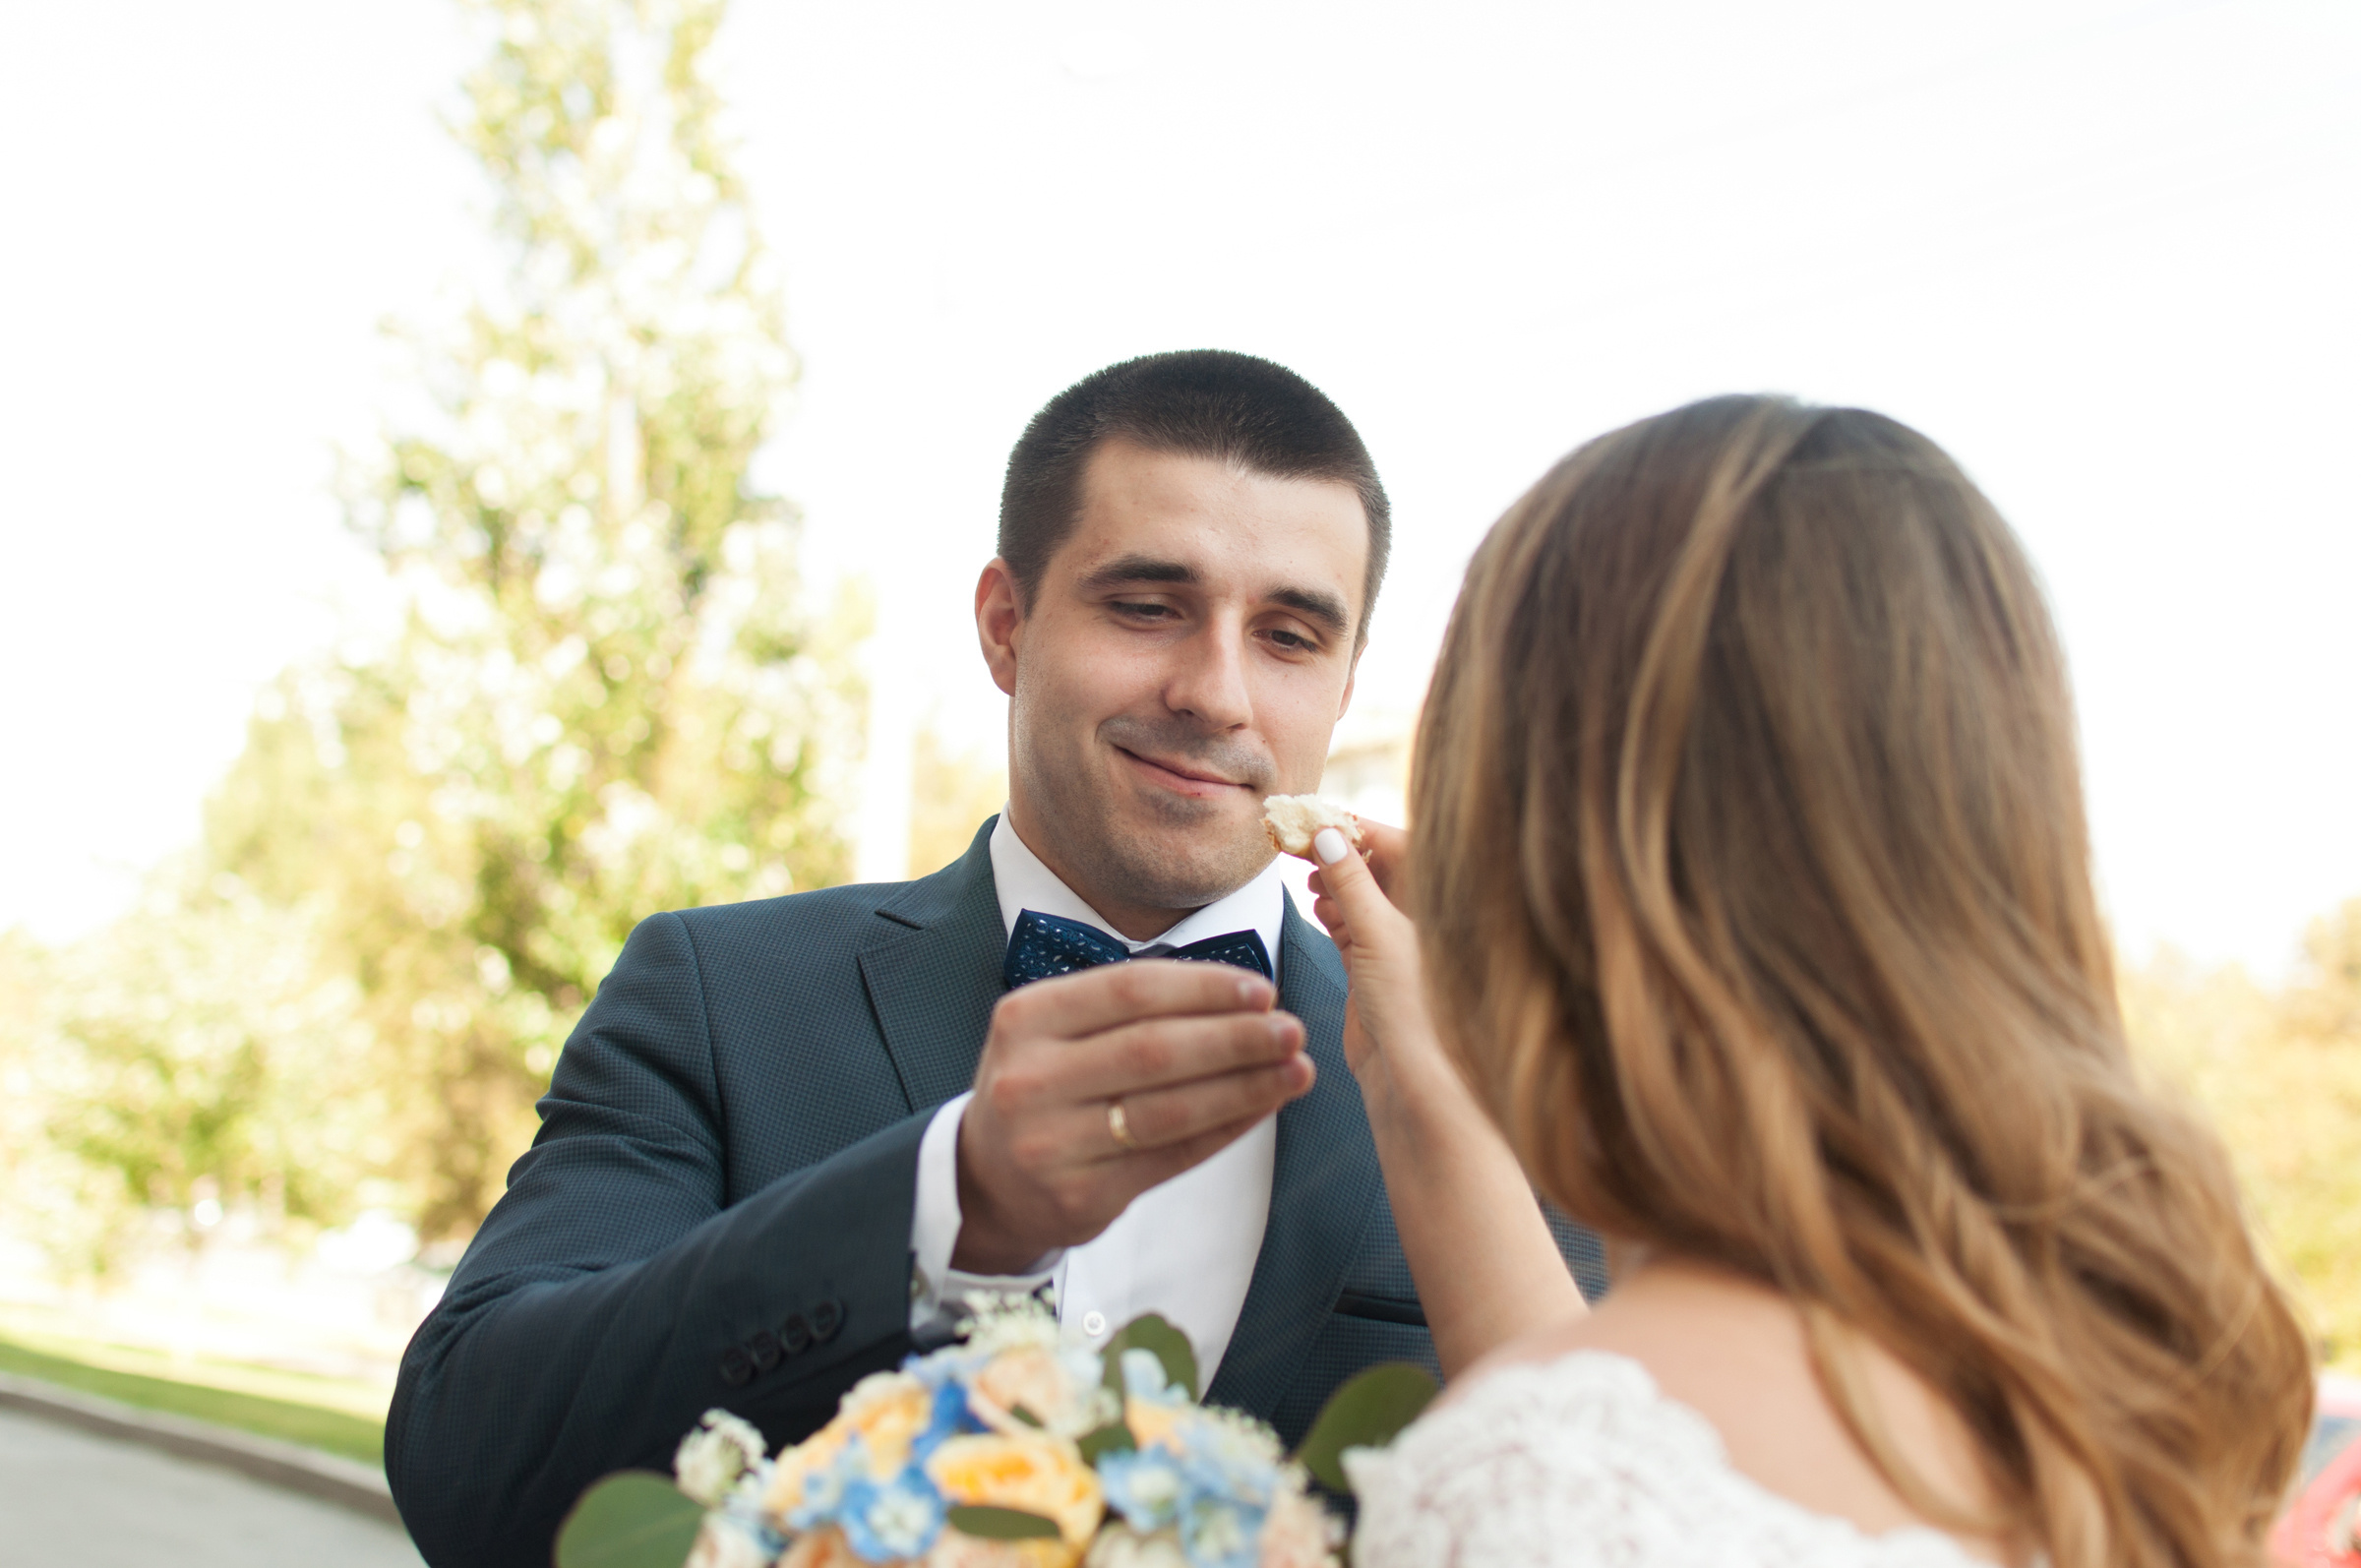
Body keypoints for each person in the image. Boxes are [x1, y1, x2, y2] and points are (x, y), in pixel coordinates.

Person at [384, 349, 1605, 1568]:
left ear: (1344, 688)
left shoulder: (1502, 1077)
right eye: (1147, 606)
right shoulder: (716, 997)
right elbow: (467, 1462)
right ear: (1005, 626)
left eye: (1288, 636)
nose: (1217, 693)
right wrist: (941, 1200)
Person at [1303, 396, 2313, 1568]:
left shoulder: (1526, 1480)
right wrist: (1428, 1087)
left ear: (1531, 828)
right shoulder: (2110, 1373)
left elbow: (1603, 1461)